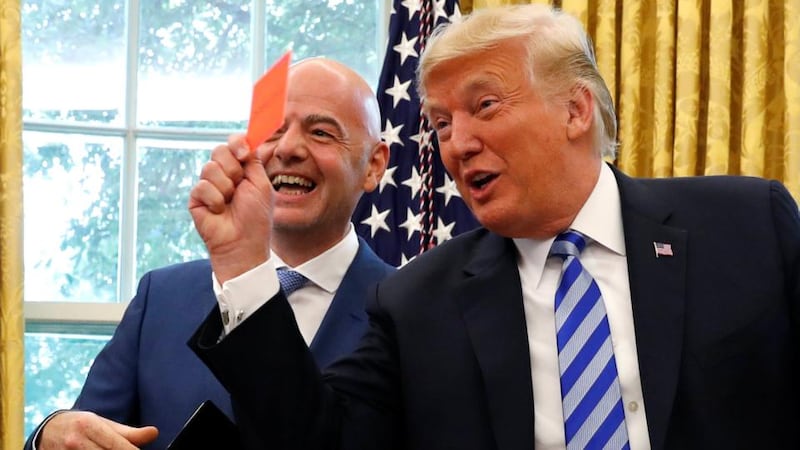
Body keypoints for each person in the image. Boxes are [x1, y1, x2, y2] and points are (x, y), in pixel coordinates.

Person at [190, 4, 800, 450]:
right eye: (442, 124)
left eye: (483, 106)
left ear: (575, 108)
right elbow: (316, 443)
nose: (458, 144)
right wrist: (244, 264)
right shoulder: (416, 302)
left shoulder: (748, 228)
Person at [26, 57, 394, 450]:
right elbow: (86, 434)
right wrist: (49, 435)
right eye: (273, 131)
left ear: (374, 165)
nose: (287, 148)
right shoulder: (162, 298)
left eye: (321, 132)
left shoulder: (408, 311)